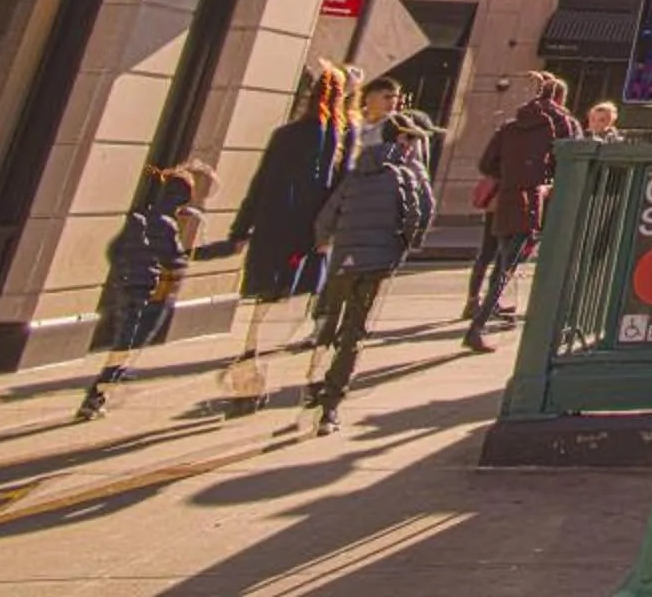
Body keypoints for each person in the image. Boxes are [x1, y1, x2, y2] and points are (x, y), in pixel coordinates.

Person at [217, 62, 356, 400]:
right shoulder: (341, 136)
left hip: (271, 227)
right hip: (308, 234)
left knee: (266, 300)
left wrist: (241, 229)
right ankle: (301, 375)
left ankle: (251, 361)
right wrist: (331, 234)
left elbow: (260, 183)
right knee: (301, 306)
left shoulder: (286, 133)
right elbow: (340, 189)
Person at [304, 110, 434, 434]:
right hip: (377, 261)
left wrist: (324, 242)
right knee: (354, 331)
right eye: (412, 139)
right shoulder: (410, 171)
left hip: (344, 258)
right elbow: (421, 212)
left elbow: (328, 213)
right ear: (403, 139)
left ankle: (314, 381)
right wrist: (406, 245)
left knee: (328, 321)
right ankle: (331, 404)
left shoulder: (359, 169)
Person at [74, 161, 218, 421]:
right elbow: (174, 260)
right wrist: (193, 254)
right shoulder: (167, 224)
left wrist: (123, 275)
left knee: (124, 342)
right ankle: (97, 395)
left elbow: (114, 251)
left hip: (127, 287)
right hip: (148, 292)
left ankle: (107, 386)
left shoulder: (139, 218)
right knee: (128, 344)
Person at [465, 73, 581, 347]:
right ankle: (478, 325)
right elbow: (572, 161)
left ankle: (484, 310)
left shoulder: (510, 126)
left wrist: (509, 175)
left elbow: (486, 164)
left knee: (498, 256)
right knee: (513, 264)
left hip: (505, 198)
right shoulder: (562, 123)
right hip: (535, 200)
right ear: (561, 97)